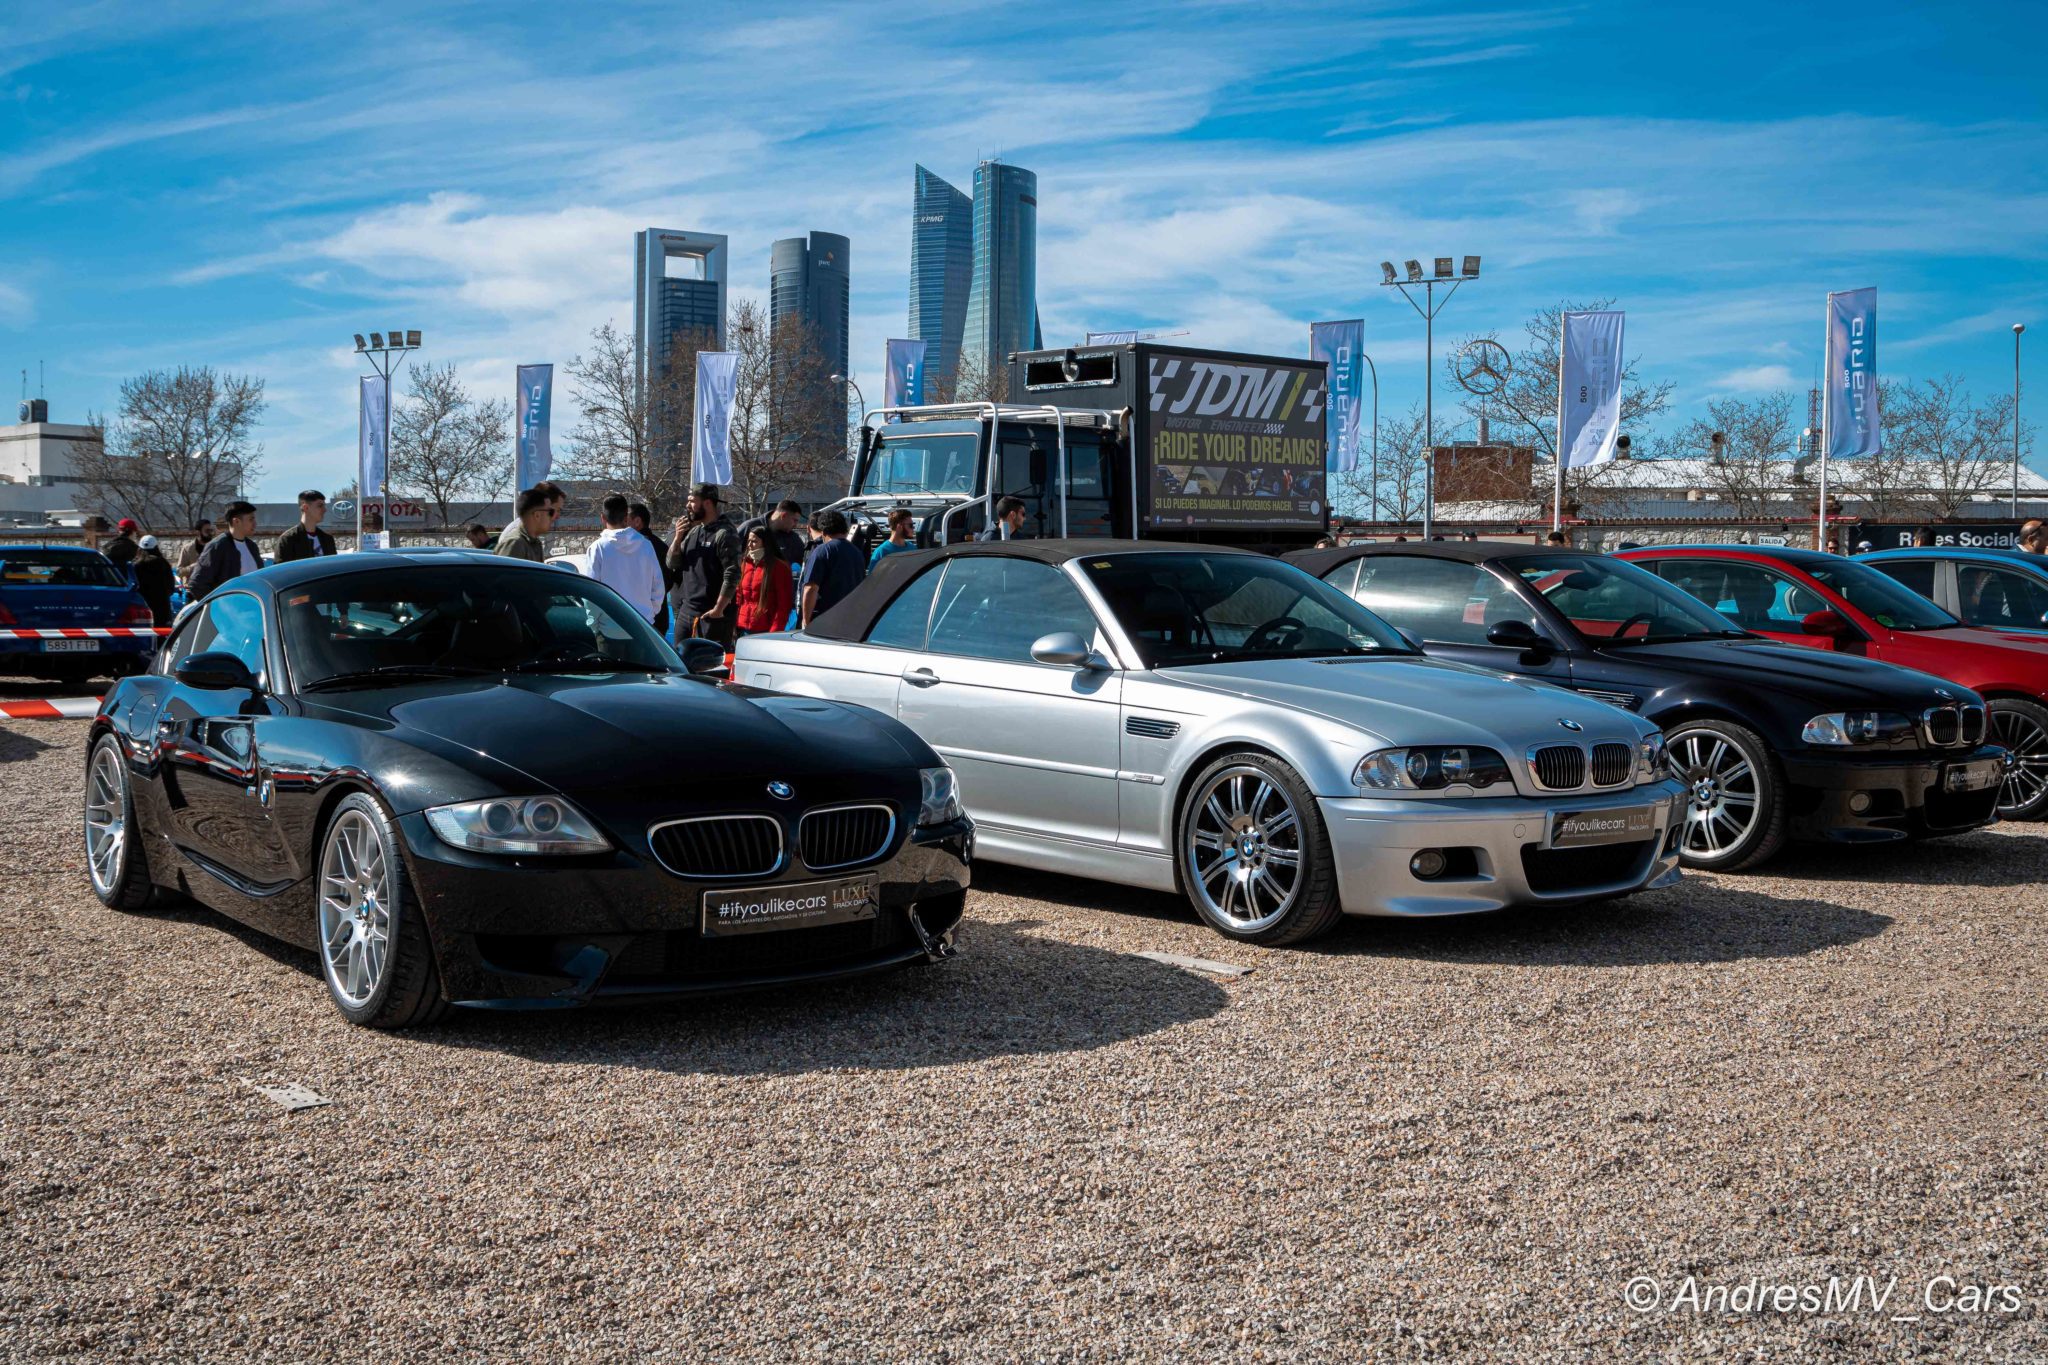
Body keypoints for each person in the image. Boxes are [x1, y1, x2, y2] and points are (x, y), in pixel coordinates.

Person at [668, 483, 740, 646]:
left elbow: (732, 574)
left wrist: (718, 609)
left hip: (711, 615)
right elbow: (672, 563)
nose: (688, 506)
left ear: (707, 503)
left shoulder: (725, 533)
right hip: (687, 612)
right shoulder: (694, 531)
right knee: (679, 658)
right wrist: (678, 538)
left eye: (692, 501)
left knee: (708, 661)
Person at [586, 492, 666, 623]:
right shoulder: (646, 545)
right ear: (626, 518)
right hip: (642, 622)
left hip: (609, 624)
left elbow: (591, 590)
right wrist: (650, 612)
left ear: (602, 518)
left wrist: (594, 621)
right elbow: (658, 586)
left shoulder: (597, 548)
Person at [801, 509, 865, 629]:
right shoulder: (857, 552)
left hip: (824, 619)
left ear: (823, 531)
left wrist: (806, 621)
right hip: (851, 619)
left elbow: (811, 588)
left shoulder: (821, 551)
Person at [187, 500, 263, 600]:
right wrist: (220, 604)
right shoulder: (217, 547)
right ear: (236, 521)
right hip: (230, 608)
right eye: (251, 519)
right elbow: (197, 585)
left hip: (252, 606)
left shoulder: (252, 547)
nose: (255, 523)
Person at [735, 526, 795, 638]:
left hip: (766, 628)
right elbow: (739, 597)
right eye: (748, 541)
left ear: (765, 542)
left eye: (754, 541)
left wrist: (775, 632)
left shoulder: (779, 567)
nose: (749, 545)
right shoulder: (745, 563)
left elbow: (784, 604)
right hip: (742, 626)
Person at [626, 502, 674, 636]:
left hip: (645, 617)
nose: (622, 523)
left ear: (637, 521)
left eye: (625, 518)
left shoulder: (640, 547)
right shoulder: (660, 546)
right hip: (657, 616)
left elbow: (664, 583)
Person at [739, 499, 807, 568]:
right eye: (794, 520)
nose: (795, 525)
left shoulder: (793, 538)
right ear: (783, 516)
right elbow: (732, 555)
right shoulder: (749, 527)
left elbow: (805, 562)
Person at [273, 489, 337, 561]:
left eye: (324, 506)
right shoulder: (288, 539)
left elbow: (334, 565)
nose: (325, 510)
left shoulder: (327, 539)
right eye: (320, 506)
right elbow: (282, 567)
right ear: (305, 508)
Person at [495, 488, 555, 562]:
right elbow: (503, 569)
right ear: (537, 515)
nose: (552, 517)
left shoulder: (535, 543)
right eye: (550, 512)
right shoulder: (515, 543)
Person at [131, 534, 175, 625]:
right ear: (156, 547)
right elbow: (170, 586)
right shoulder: (163, 563)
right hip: (162, 608)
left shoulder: (135, 565)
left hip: (141, 607)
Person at [868, 506, 921, 570]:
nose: (913, 528)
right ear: (899, 526)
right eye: (911, 525)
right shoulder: (881, 552)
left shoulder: (913, 549)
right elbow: (873, 575)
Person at [177, 519, 214, 585]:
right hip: (192, 587)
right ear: (198, 532)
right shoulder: (187, 549)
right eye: (207, 531)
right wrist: (194, 566)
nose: (210, 533)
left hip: (212, 587)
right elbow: (179, 572)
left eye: (211, 531)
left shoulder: (215, 547)